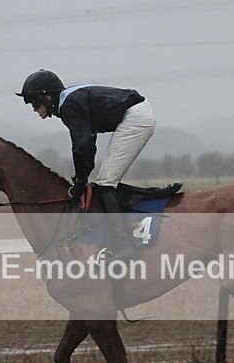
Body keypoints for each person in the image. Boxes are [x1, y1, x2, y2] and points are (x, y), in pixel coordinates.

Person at [16, 69, 156, 262]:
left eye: (34, 102)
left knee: (106, 182)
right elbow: (87, 141)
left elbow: (83, 144)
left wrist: (81, 180)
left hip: (136, 118)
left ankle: (125, 246)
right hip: (137, 113)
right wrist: (82, 177)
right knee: (105, 181)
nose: (34, 108)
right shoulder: (70, 100)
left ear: (47, 97)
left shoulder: (68, 105)